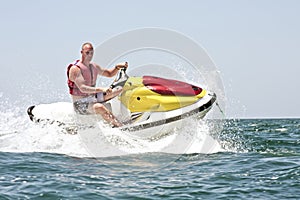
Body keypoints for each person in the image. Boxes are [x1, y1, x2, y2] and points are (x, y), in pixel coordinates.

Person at [67, 42, 128, 127]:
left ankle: (130, 115)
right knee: (100, 107)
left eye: (91, 53)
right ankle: (120, 126)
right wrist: (102, 89)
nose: (89, 55)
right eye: (87, 53)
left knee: (119, 90)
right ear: (81, 52)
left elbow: (109, 74)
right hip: (80, 104)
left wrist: (117, 67)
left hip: (92, 98)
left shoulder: (93, 67)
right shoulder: (75, 69)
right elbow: (83, 88)